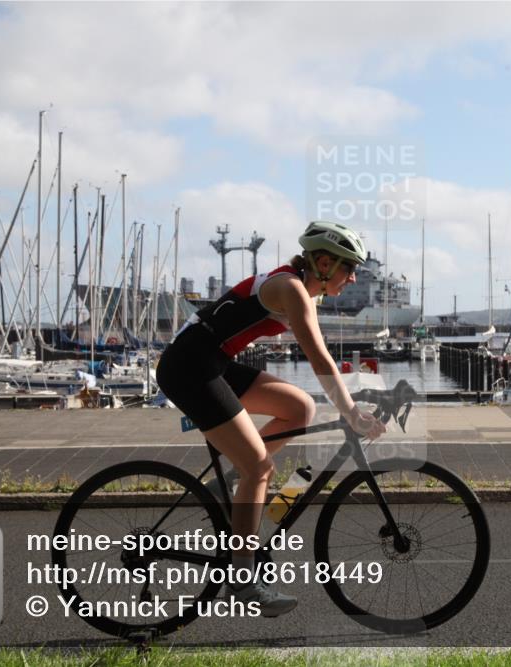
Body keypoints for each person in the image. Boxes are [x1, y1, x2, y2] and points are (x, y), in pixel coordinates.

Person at [155, 221, 387, 616]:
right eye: (350, 269)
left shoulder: (300, 290)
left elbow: (320, 353)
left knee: (300, 409)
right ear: (326, 263)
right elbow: (318, 357)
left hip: (210, 361)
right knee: (260, 467)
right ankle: (242, 582)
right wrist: (350, 412)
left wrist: (348, 402)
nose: (352, 279)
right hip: (189, 367)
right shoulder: (291, 289)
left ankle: (228, 485)